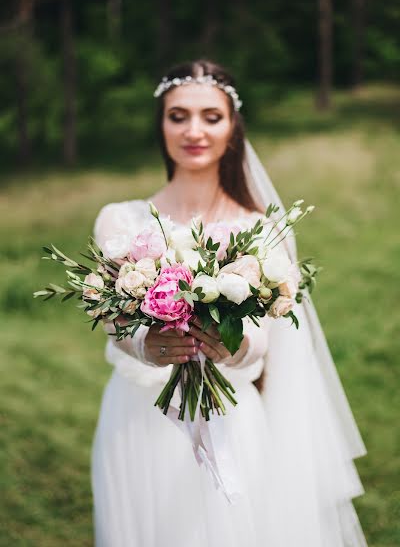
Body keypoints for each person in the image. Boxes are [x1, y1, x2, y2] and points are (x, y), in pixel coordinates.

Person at [91, 59, 368, 546]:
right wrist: (143, 344)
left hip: (230, 416)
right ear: (161, 124)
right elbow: (110, 321)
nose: (193, 130)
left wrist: (230, 347)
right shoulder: (120, 222)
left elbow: (268, 344)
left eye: (210, 117)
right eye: (178, 116)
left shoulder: (261, 229)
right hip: (137, 417)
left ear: (232, 127)